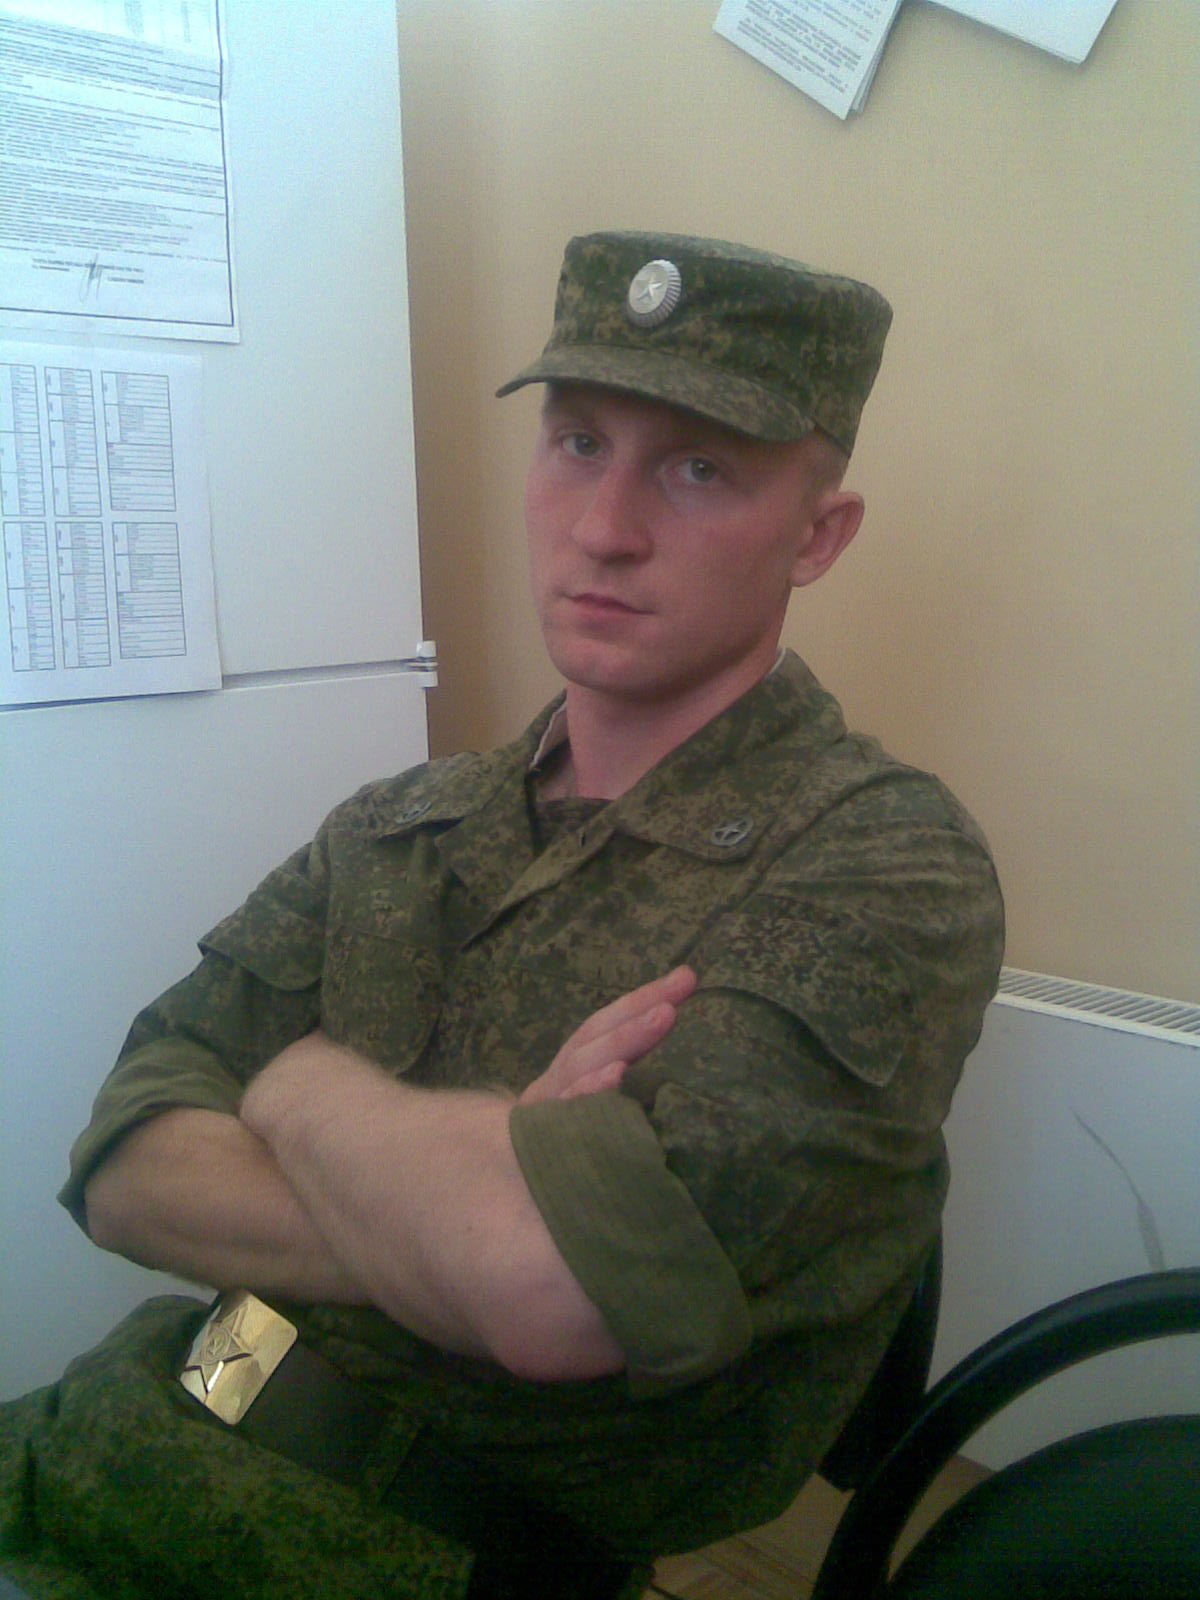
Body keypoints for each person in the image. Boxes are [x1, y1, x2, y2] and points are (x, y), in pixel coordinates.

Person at [0, 231, 1004, 1599]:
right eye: (578, 443)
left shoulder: (880, 861)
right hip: (98, 1435)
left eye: (699, 469)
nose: (605, 529)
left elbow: (556, 1294)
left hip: (379, 1553)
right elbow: (123, 1163)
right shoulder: (400, 824)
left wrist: (295, 1091)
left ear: (817, 536)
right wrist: (451, 1214)